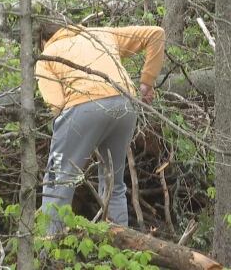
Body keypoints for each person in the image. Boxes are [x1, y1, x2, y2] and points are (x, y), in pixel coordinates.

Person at [35, 22, 165, 233]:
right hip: (125, 103)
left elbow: (57, 104)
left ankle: (48, 251)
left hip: (83, 105)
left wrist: (68, 138)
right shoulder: (101, 34)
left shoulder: (48, 54)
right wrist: (147, 81)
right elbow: (155, 34)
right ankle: (120, 248)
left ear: (43, 41)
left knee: (58, 180)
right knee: (113, 183)